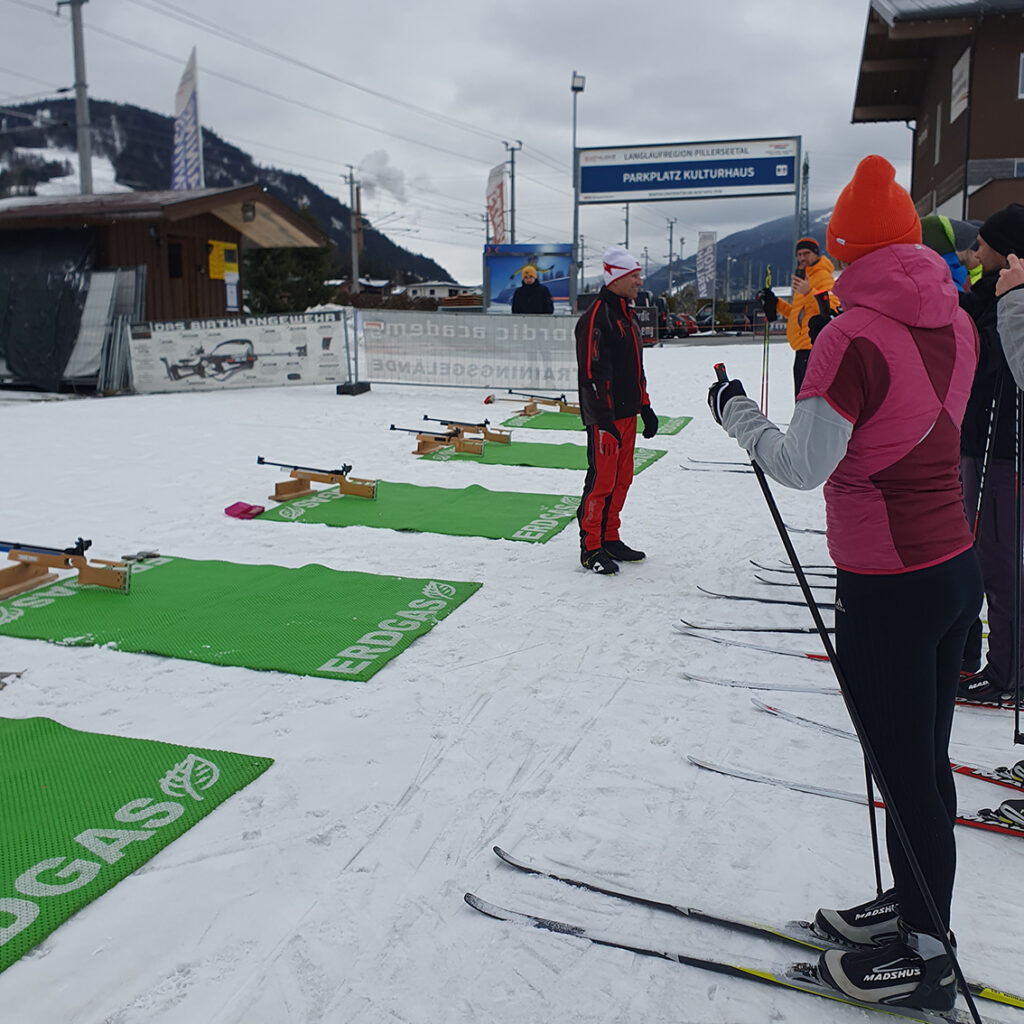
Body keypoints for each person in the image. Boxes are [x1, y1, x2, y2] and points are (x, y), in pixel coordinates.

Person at [707, 155, 982, 1012]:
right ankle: (914, 906)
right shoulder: (958, 317)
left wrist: (735, 415)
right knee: (919, 759)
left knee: (901, 766)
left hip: (888, 581)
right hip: (952, 567)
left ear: (844, 250)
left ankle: (929, 953)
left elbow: (801, 464)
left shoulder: (851, 335)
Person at [957, 203, 1024, 701]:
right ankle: (983, 659)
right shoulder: (987, 297)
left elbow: (995, 368)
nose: (974, 252)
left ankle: (1009, 675)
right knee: (980, 557)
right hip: (977, 443)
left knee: (999, 561)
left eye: (983, 244)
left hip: (1003, 451)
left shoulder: (1010, 303)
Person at [575, 245, 658, 575]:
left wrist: (646, 406)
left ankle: (610, 537)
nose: (639, 282)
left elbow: (636, 368)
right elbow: (594, 374)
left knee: (622, 480)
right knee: (602, 482)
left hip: (627, 414)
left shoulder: (628, 314)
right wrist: (603, 419)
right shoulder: (597, 317)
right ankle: (591, 547)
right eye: (634, 276)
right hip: (604, 419)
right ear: (617, 279)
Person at [757, 237, 840, 396]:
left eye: (806, 253)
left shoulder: (822, 276)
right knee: (803, 397)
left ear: (816, 254)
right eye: (799, 254)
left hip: (813, 346)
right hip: (802, 347)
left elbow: (831, 307)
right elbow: (795, 313)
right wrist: (774, 302)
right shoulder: (804, 278)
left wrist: (809, 292)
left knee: (809, 399)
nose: (802, 258)